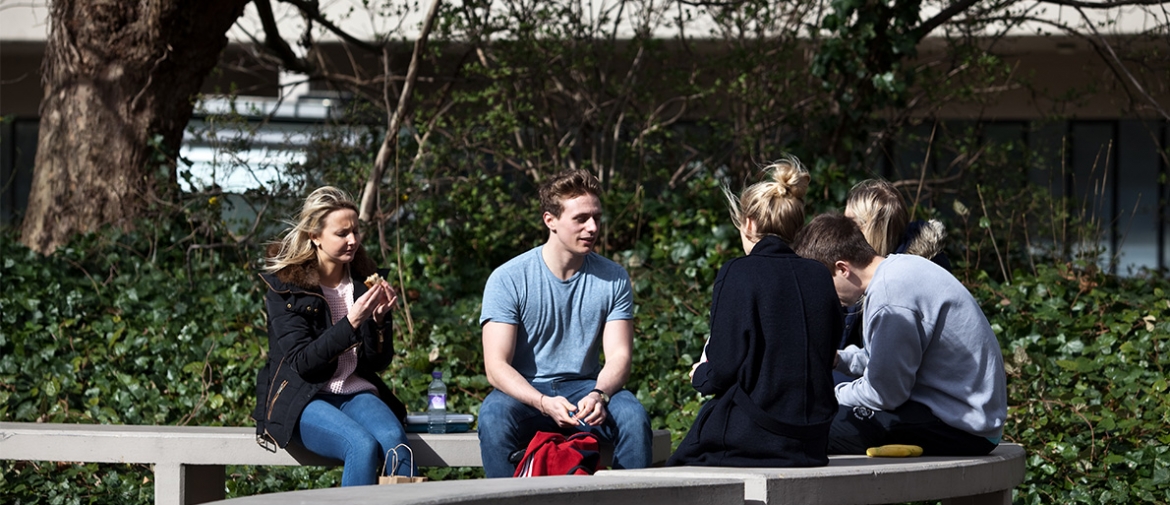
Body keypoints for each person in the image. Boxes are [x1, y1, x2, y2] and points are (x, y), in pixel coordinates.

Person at [477, 169, 652, 478]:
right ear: (550, 221)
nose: (592, 227)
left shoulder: (613, 278)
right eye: (581, 219)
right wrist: (542, 402)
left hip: (586, 387)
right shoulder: (508, 278)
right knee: (493, 416)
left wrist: (600, 394)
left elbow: (620, 356)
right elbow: (496, 366)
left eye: (596, 217)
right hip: (525, 391)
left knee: (633, 418)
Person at [666, 158, 841, 467]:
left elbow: (722, 368)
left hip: (758, 433)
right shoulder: (819, 275)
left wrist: (700, 375)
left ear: (748, 223)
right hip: (813, 439)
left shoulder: (739, 272)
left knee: (677, 470)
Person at [791, 213, 1007, 456]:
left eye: (824, 284)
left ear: (842, 268)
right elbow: (888, 363)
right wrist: (841, 360)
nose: (827, 297)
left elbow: (884, 394)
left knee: (813, 426)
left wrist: (827, 396)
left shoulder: (890, 297)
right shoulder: (900, 269)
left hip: (964, 429)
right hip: (968, 415)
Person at [252, 186, 413, 486]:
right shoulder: (286, 289)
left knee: (397, 446)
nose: (353, 240)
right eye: (342, 233)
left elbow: (377, 362)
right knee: (360, 445)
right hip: (304, 397)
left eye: (355, 231)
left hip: (355, 391)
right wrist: (352, 322)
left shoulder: (365, 282)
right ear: (315, 235)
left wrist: (378, 323)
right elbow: (302, 363)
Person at [835, 179, 950, 382]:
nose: (840, 234)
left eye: (847, 225)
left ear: (866, 230)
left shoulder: (900, 284)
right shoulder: (882, 271)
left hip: (928, 398)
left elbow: (887, 383)